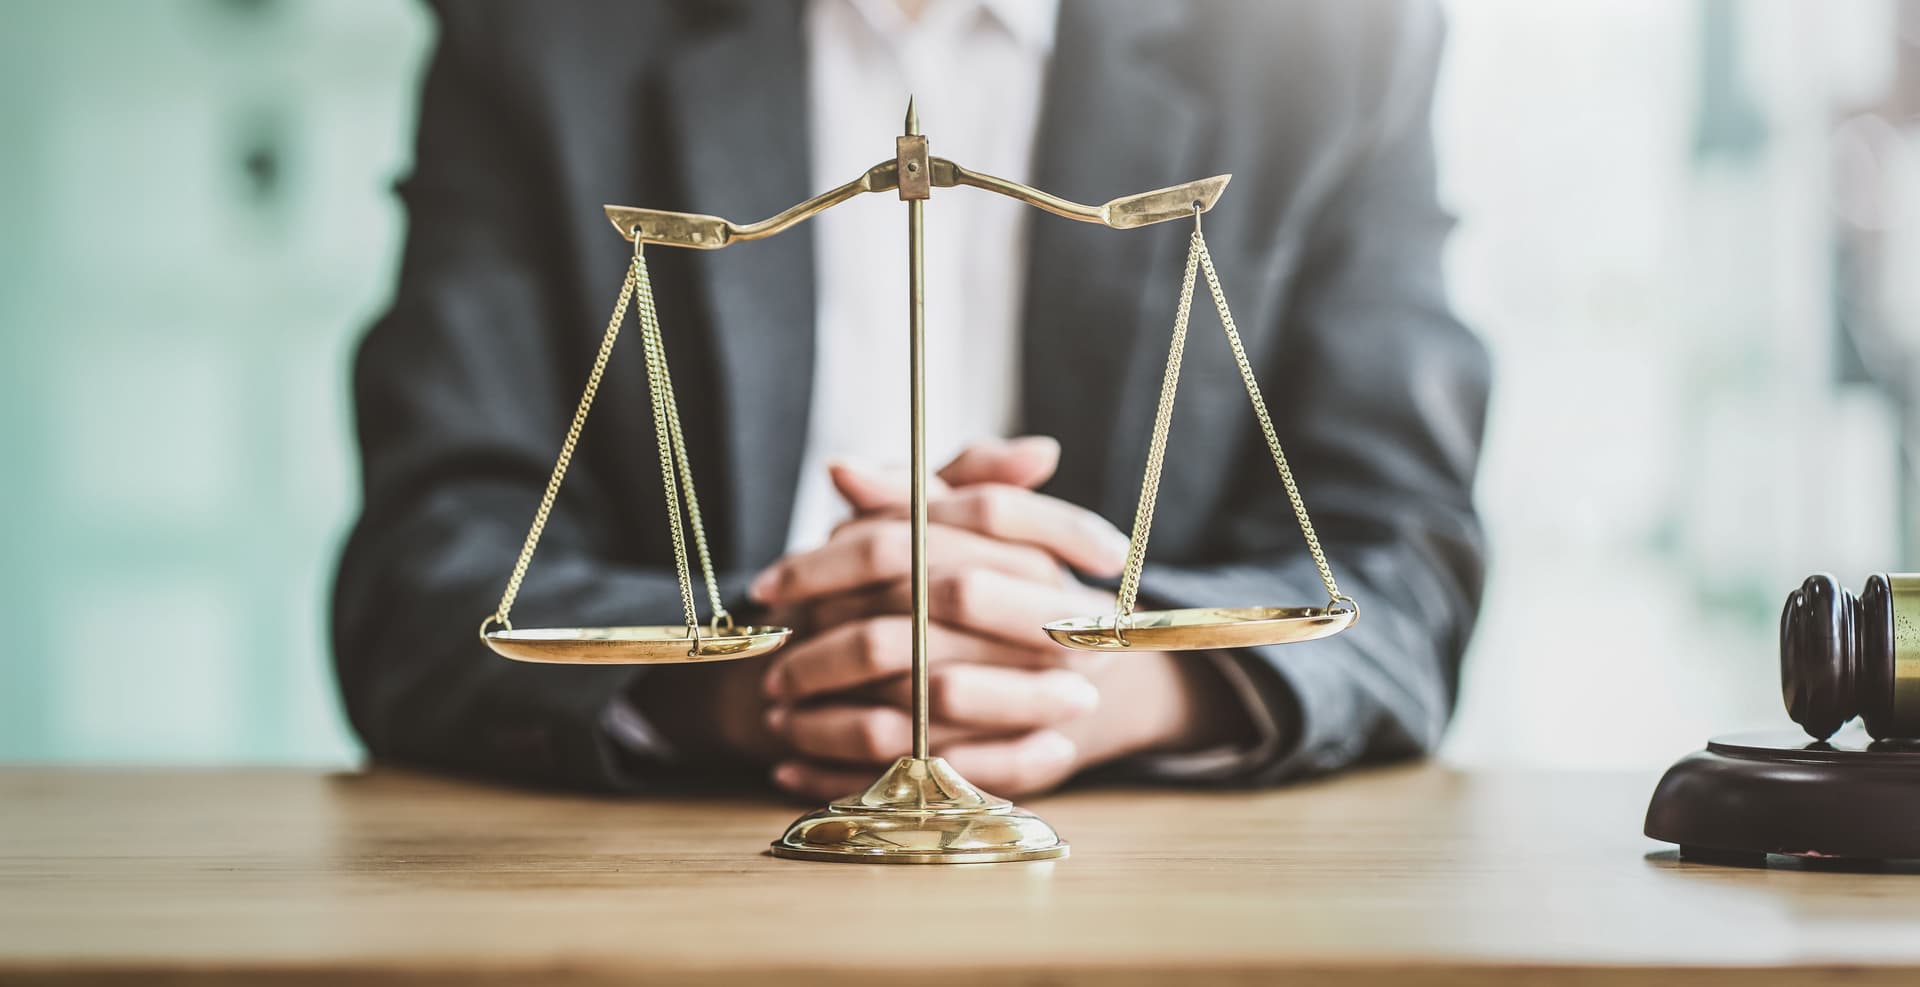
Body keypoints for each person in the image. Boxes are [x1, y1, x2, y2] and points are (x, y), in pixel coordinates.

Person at [332, 0, 1490, 797]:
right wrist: (773, 675)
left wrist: (1101, 681)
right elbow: (419, 582)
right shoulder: (542, 33)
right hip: (685, 876)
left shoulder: (1329, 38)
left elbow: (1404, 575)